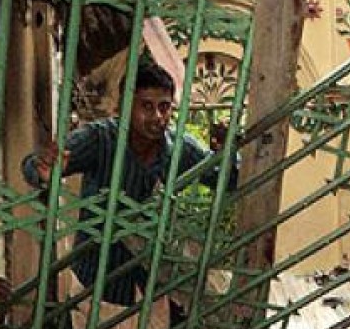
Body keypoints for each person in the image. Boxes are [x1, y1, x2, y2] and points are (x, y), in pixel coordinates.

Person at [22, 60, 234, 305]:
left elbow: (227, 179)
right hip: (98, 285)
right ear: (124, 106)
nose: (157, 116)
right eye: (146, 106)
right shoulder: (99, 139)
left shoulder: (179, 148)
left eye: (164, 107)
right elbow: (33, 166)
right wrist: (43, 169)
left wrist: (228, 153)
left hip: (155, 289)